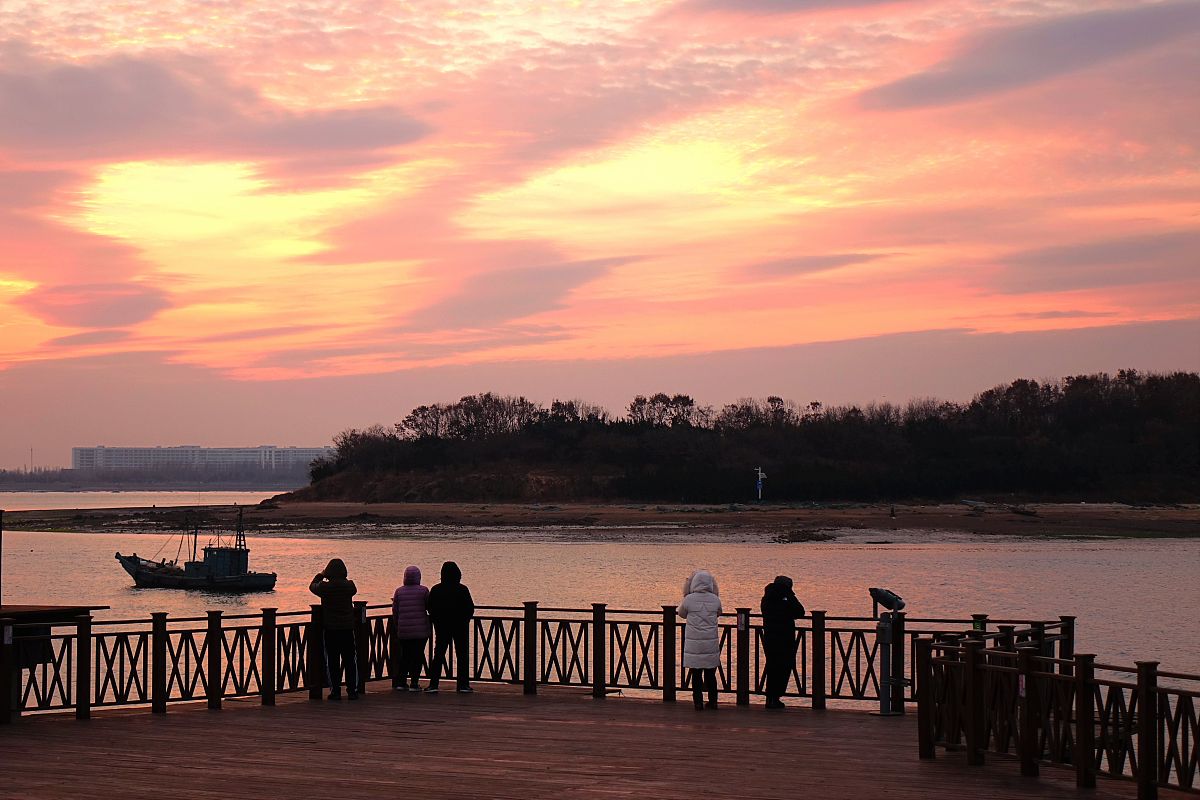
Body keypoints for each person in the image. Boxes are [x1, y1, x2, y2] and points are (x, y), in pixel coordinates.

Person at [309, 558, 359, 700]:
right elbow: (353, 589)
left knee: (332, 660)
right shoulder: (350, 586)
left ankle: (335, 691)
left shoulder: (325, 588)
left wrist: (321, 574)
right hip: (348, 628)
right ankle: (352, 690)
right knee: (350, 660)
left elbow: (312, 586)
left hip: (331, 628)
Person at [426, 561, 475, 694]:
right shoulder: (462, 589)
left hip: (442, 627)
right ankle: (463, 684)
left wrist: (436, 620)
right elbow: (470, 608)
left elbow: (430, 607)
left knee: (439, 655)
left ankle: (433, 684)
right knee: (462, 655)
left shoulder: (436, 589)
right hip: (460, 626)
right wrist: (464, 620)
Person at [678, 569, 722, 710]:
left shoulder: (689, 599)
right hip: (710, 643)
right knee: (710, 674)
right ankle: (713, 701)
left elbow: (681, 614)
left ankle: (698, 702)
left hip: (694, 644)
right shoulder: (715, 599)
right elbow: (719, 612)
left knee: (696, 674)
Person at [760, 575, 806, 709]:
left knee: (772, 666)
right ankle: (776, 696)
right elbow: (800, 611)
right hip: (785, 637)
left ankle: (770, 698)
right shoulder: (787, 596)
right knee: (784, 667)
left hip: (769, 637)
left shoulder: (766, 597)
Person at [392, 565, 431, 691]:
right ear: (419, 577)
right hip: (420, 631)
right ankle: (414, 683)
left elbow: (395, 611)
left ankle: (401, 682)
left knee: (405, 656)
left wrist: (397, 625)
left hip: (404, 630)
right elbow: (429, 607)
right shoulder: (424, 591)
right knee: (418, 656)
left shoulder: (399, 591)